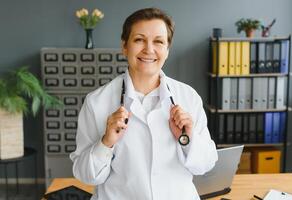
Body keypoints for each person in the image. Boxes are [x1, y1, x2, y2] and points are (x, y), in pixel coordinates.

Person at [70, 7, 218, 200]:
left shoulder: (188, 97)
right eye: (139, 39)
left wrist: (187, 138)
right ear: (124, 46)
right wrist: (106, 143)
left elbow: (205, 165)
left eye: (158, 41)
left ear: (167, 49)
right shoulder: (97, 102)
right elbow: (85, 176)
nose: (149, 49)